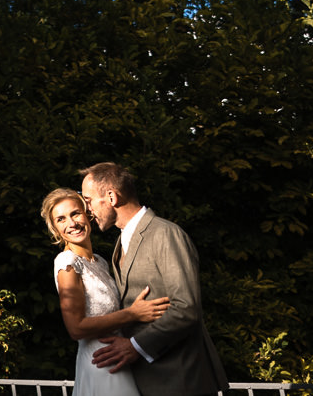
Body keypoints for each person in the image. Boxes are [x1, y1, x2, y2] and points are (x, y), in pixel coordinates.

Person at [79, 162, 229, 396]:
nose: (87, 210)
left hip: (181, 380)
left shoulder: (165, 234)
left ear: (111, 197)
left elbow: (186, 308)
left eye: (88, 200)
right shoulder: (120, 242)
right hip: (144, 381)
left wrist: (135, 346)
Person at [41, 187, 170, 396]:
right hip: (99, 362)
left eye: (75, 213)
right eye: (61, 219)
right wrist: (133, 313)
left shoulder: (100, 262)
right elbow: (75, 328)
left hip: (118, 356)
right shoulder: (67, 262)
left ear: (87, 214)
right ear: (55, 229)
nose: (72, 223)